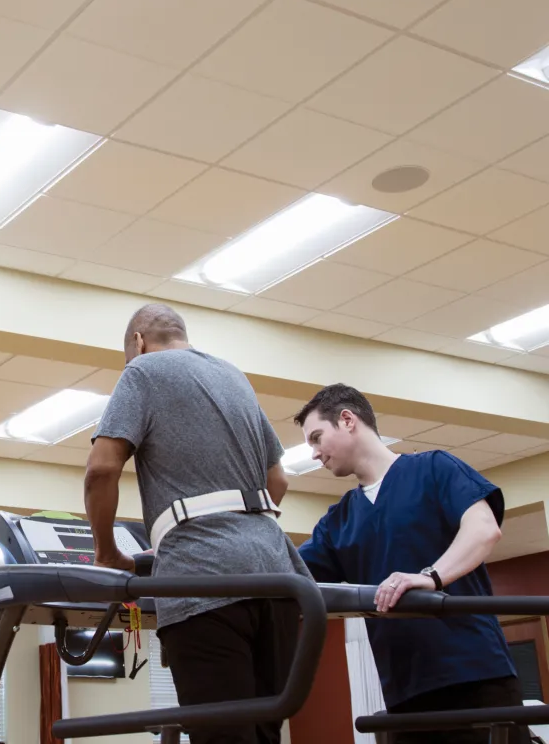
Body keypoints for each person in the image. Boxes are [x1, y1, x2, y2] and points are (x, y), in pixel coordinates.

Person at [83, 303, 311, 744]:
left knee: (222, 734)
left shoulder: (142, 371)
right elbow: (277, 478)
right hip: (277, 571)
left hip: (203, 574)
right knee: (265, 732)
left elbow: (102, 469)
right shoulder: (234, 376)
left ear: (138, 342)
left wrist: (107, 552)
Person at [294, 383, 527, 744]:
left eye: (316, 437)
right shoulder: (336, 522)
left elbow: (484, 530)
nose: (314, 453)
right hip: (405, 693)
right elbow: (290, 577)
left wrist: (431, 577)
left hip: (476, 676)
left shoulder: (434, 468)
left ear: (347, 419)